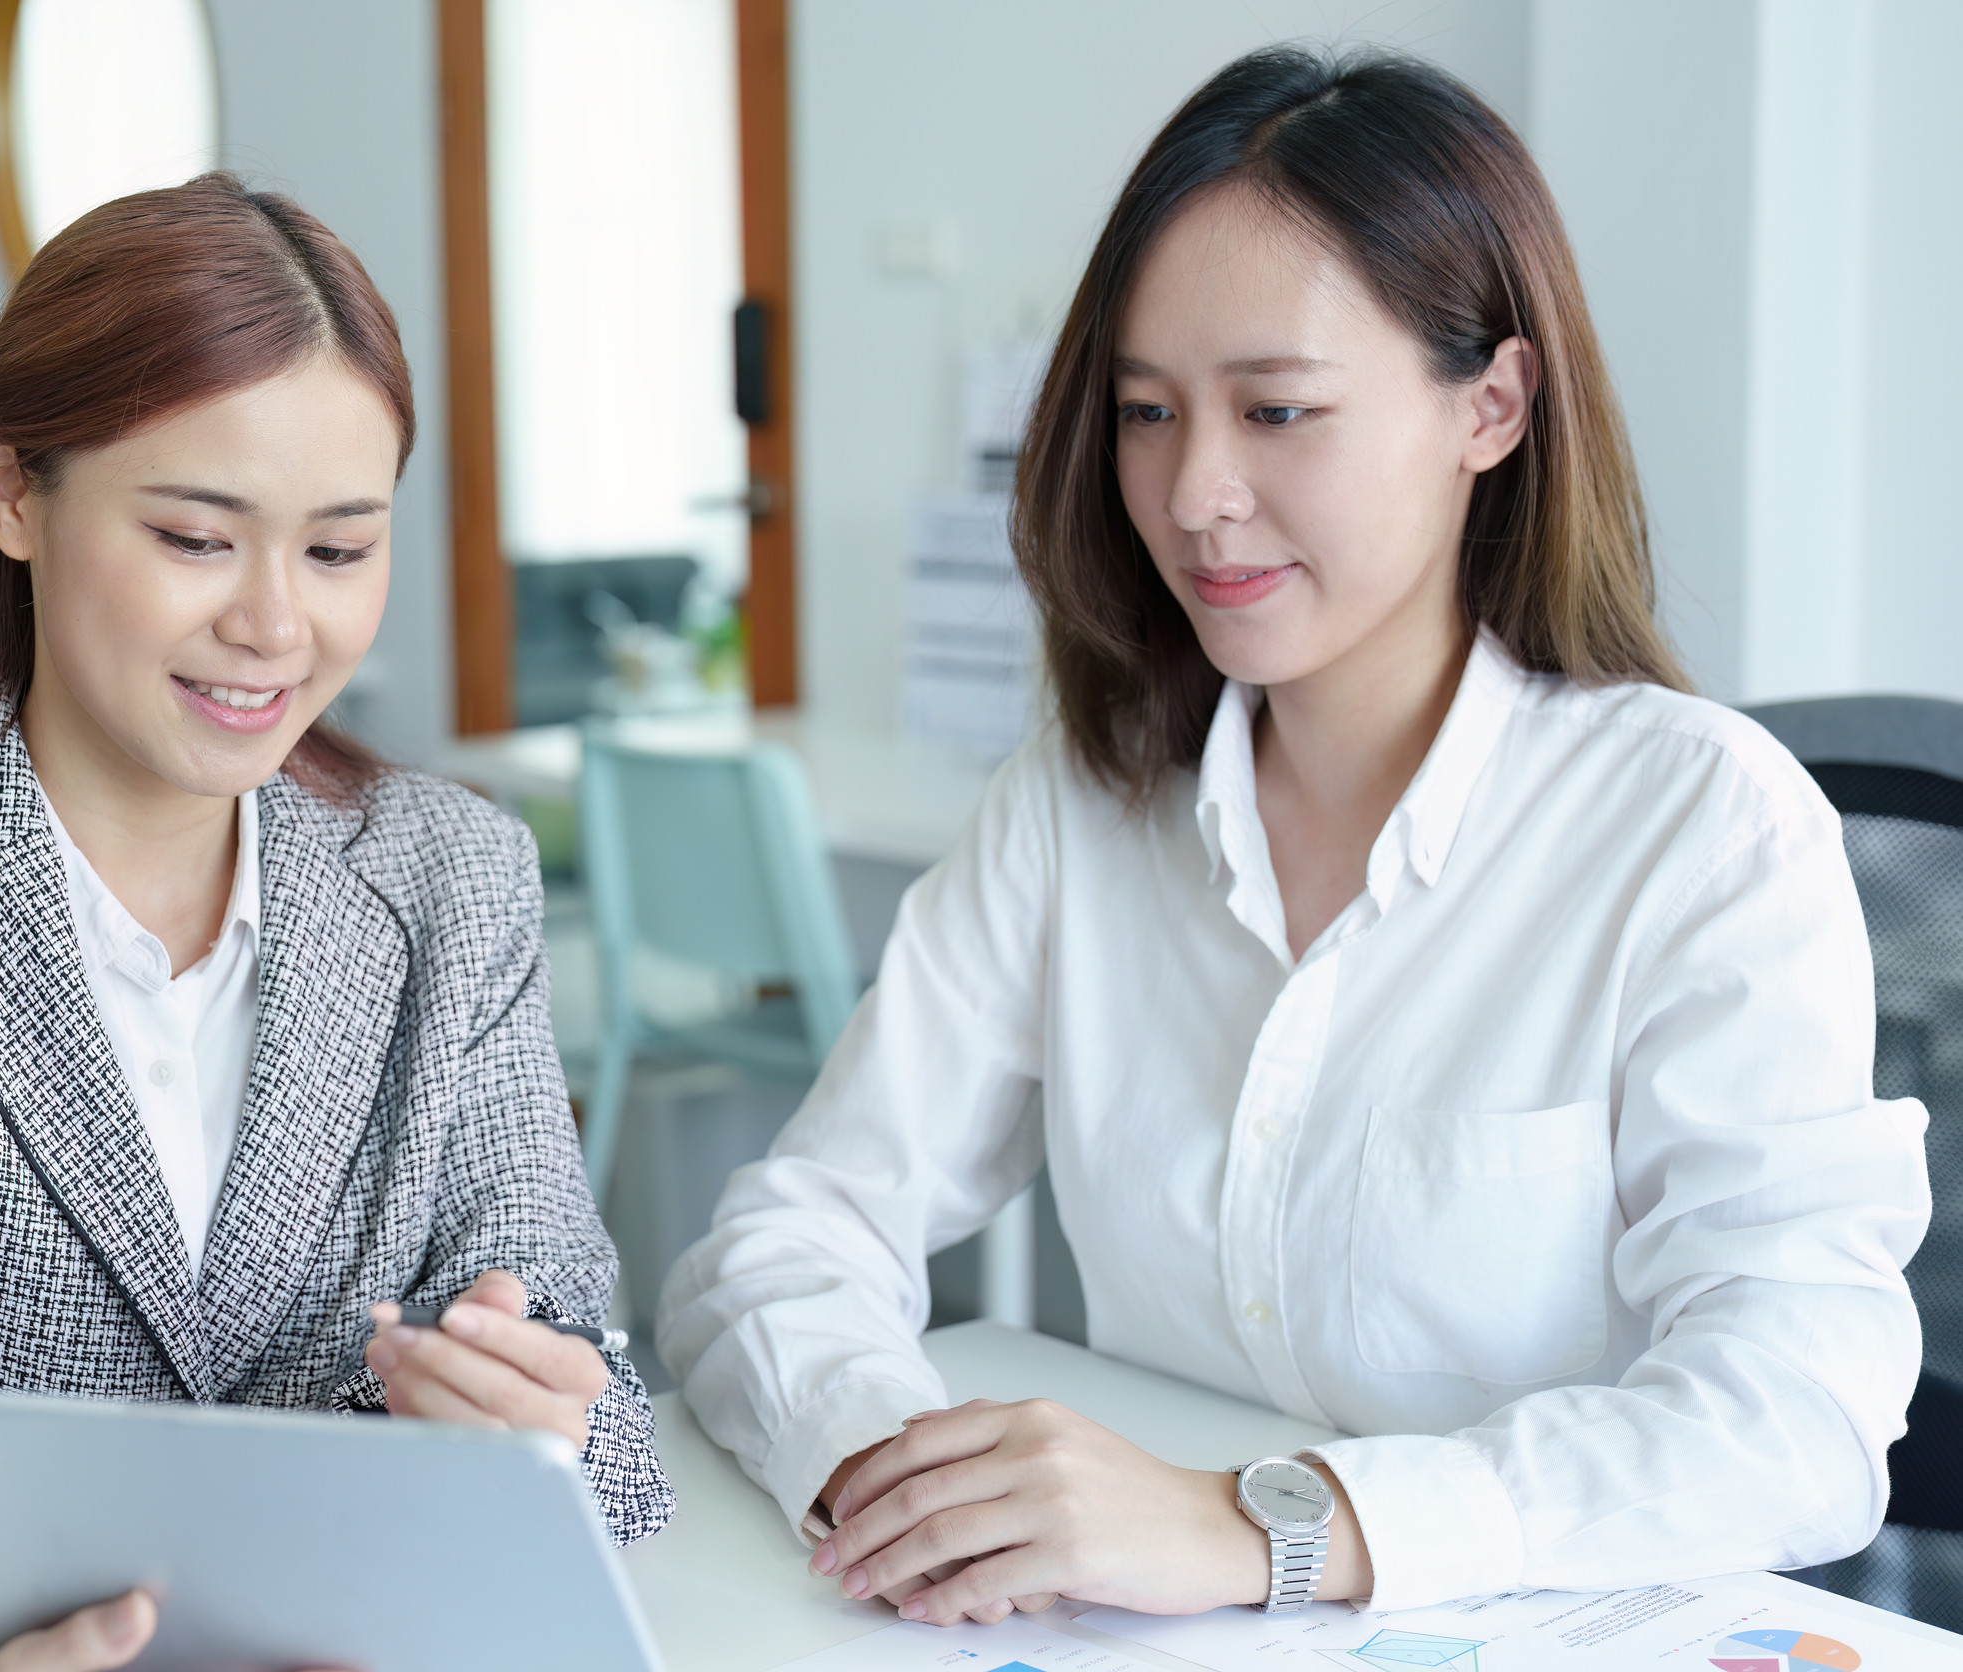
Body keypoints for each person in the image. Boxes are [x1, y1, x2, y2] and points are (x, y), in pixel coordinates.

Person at [658, 44, 1929, 1630]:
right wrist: (887, 1469)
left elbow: (1796, 1415)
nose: (1195, 493)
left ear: (1491, 407)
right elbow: (789, 1233)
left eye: (1278, 410)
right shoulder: (1081, 803)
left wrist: (1275, 1525)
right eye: (1145, 412)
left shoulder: (1699, 829)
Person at [0, 174, 672, 1672]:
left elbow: (584, 1376)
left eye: (339, 550)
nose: (277, 627)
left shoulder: (449, 877)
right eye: (197, 538)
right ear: (14, 492)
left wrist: (533, 1420)